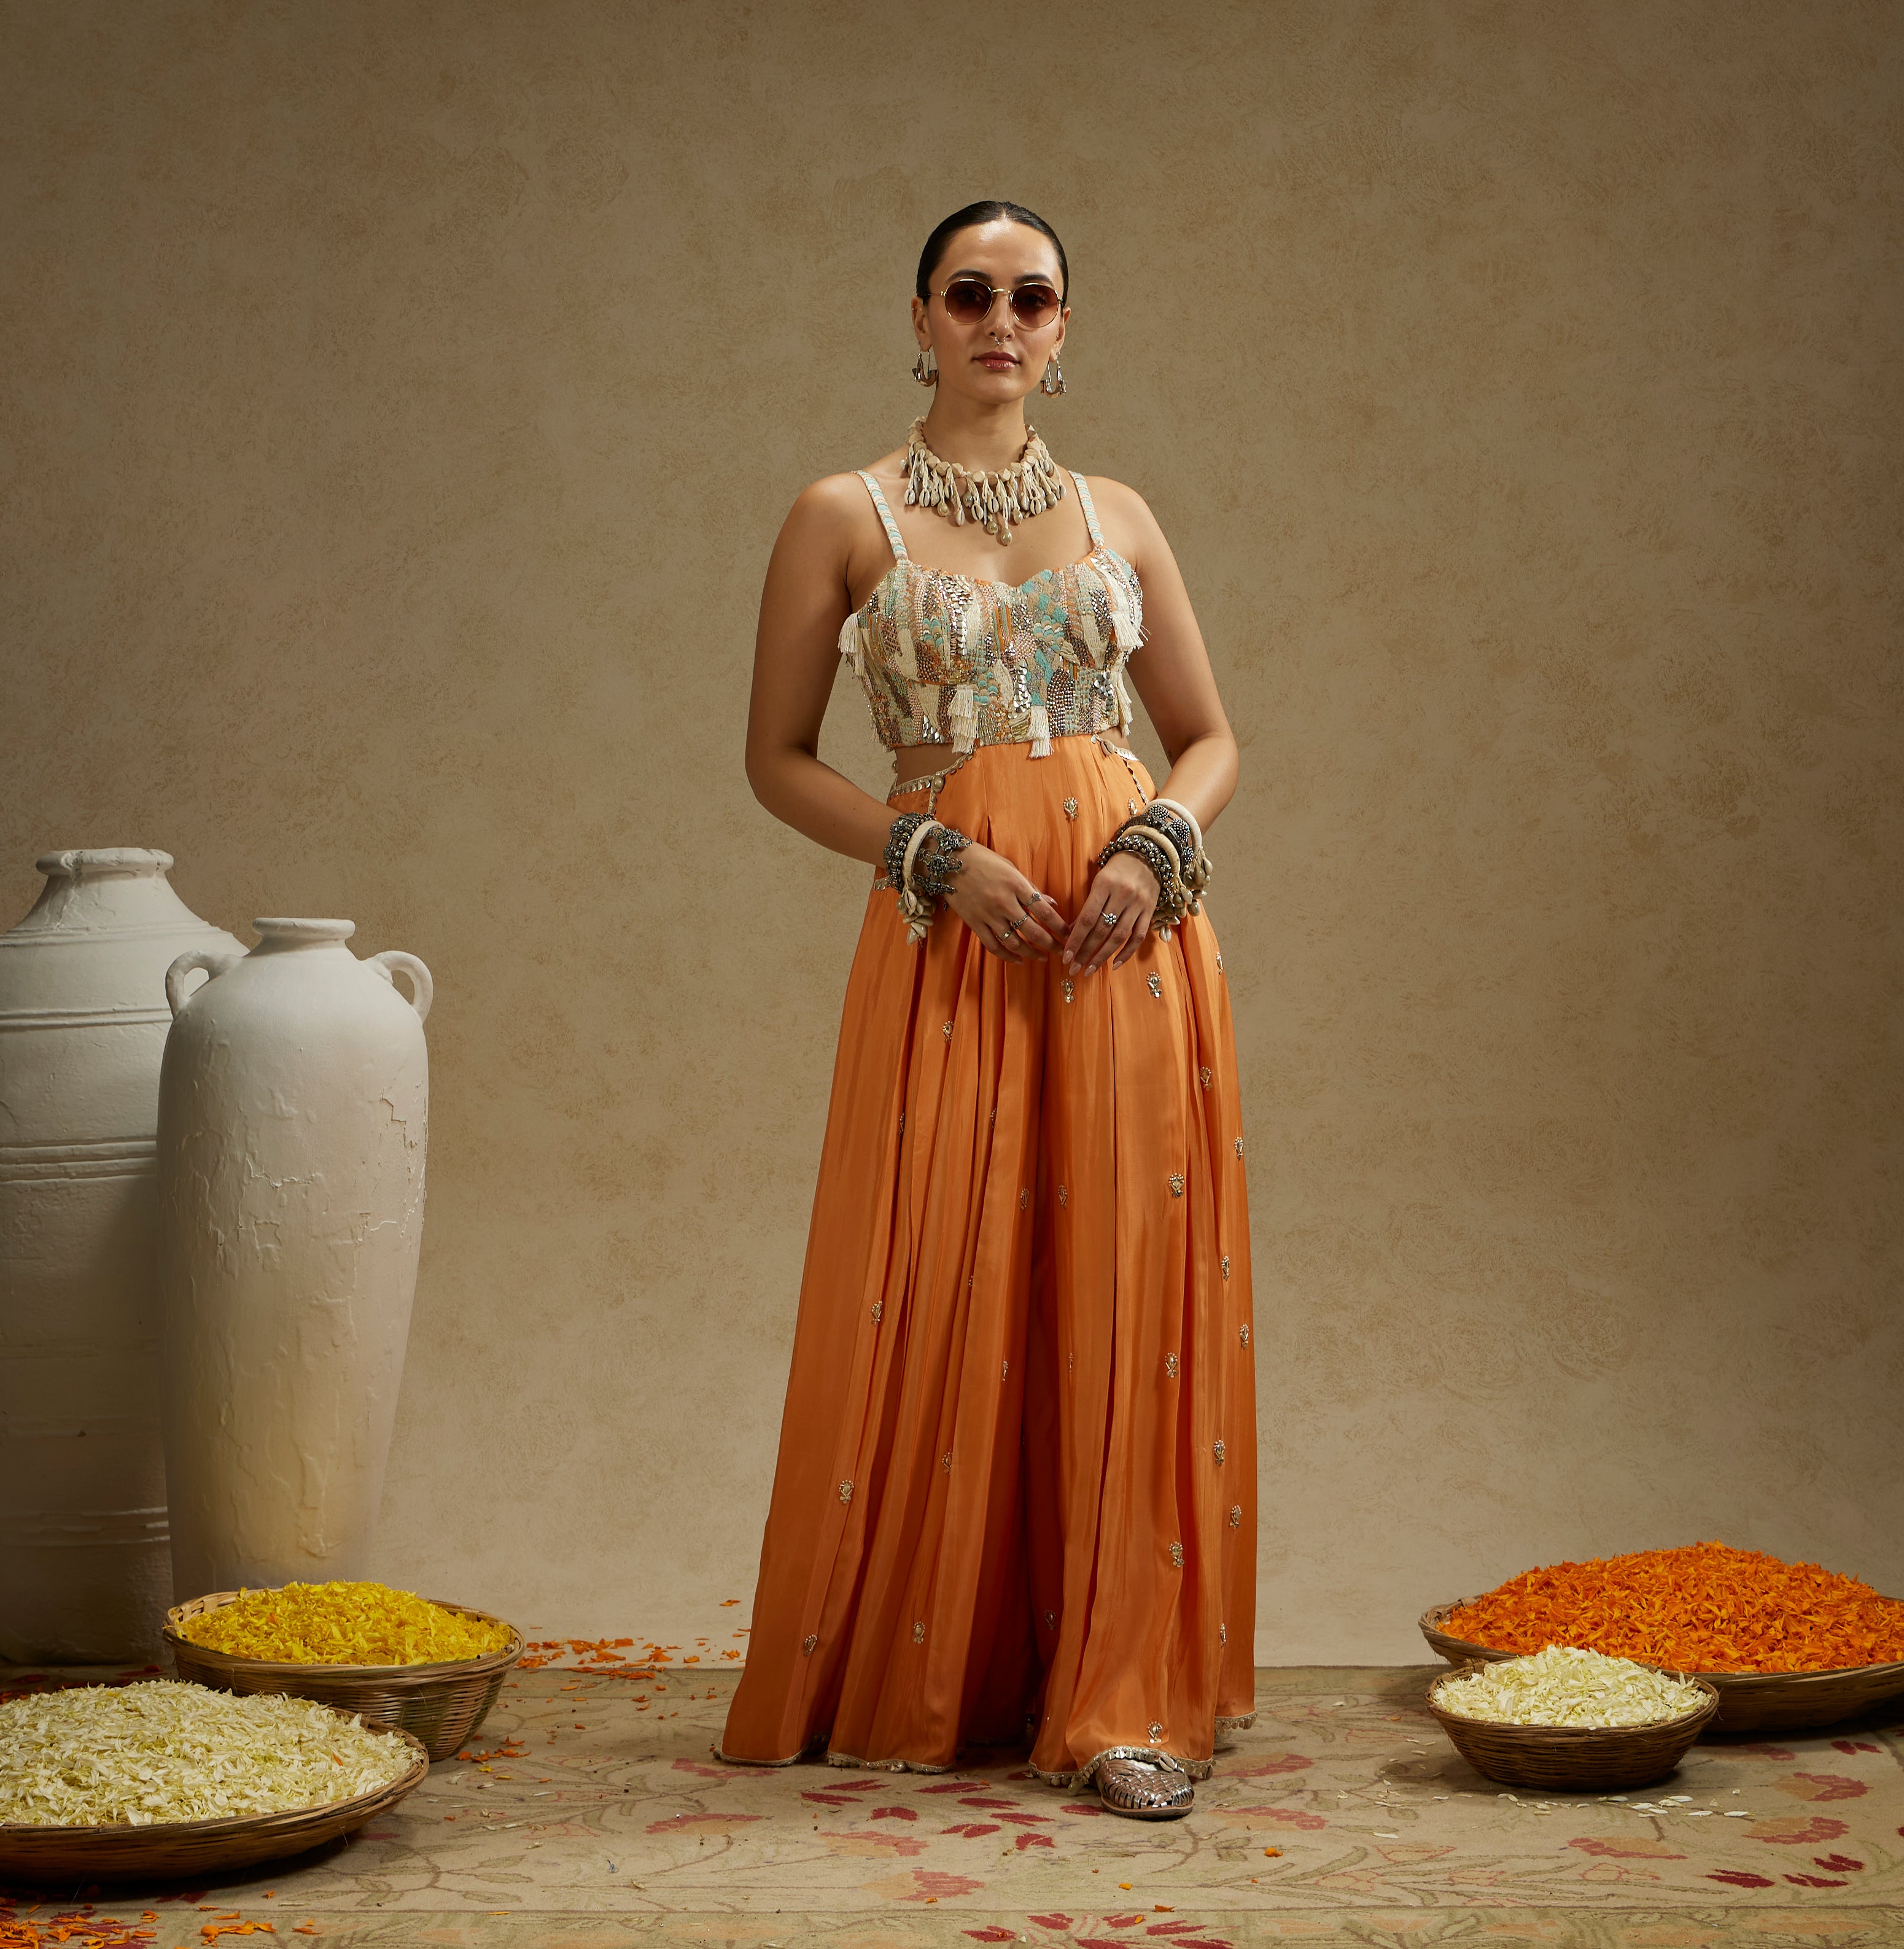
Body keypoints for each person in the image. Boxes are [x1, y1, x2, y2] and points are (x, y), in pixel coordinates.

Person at [717, 200, 1256, 1820]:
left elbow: (1212, 740)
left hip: (1123, 940)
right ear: (922, 315)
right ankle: (943, 1671)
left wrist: (1163, 842)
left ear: (1066, 329)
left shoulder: (1123, 518)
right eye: (972, 294)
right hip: (957, 934)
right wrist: (926, 854)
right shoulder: (841, 513)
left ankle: (1127, 1701)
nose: (1001, 321)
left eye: (1033, 297)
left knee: (1124, 1284)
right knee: (943, 1279)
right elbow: (775, 758)